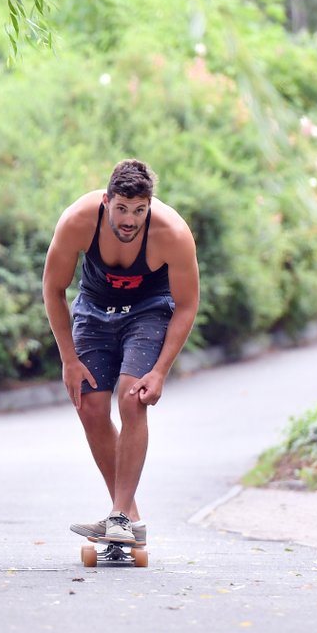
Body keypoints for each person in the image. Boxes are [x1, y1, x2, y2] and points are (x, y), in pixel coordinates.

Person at [42, 159, 199, 545]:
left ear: (150, 205)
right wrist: (68, 360)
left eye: (140, 210)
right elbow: (53, 288)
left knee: (132, 398)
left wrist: (160, 370)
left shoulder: (172, 233)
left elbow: (188, 304)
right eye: (122, 209)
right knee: (90, 406)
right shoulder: (78, 219)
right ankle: (129, 517)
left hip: (147, 311)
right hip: (94, 309)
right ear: (106, 200)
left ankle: (118, 515)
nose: (130, 220)